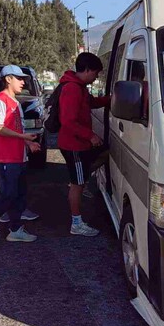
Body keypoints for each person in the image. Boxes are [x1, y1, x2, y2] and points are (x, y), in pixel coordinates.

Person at [0, 65, 42, 246]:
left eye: (23, 79)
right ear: (8, 79)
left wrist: (27, 143)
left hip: (18, 156)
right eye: (19, 78)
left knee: (19, 194)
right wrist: (23, 137)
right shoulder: (0, 101)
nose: (23, 82)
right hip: (5, 157)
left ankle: (15, 229)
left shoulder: (14, 102)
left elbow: (15, 128)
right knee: (8, 194)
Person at [58, 52, 110, 237]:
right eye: (95, 73)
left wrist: (110, 99)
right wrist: (90, 136)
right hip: (74, 146)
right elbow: (68, 121)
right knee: (76, 184)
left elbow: (91, 103)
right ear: (87, 70)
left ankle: (81, 180)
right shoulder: (72, 88)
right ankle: (76, 223)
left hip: (78, 144)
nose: (96, 78)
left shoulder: (79, 87)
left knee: (103, 155)